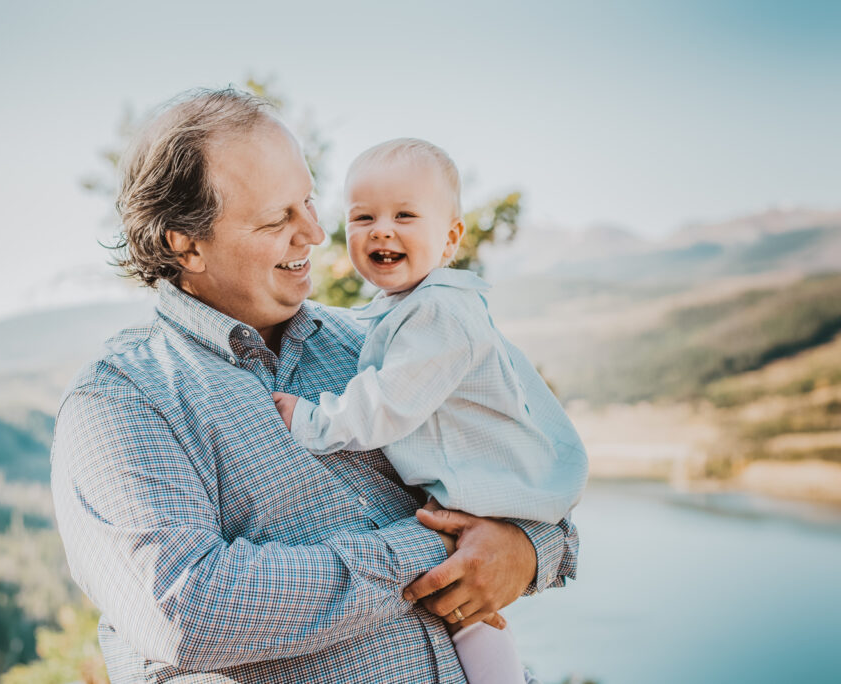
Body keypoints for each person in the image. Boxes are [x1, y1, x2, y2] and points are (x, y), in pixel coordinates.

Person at [50, 88, 579, 683]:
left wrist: (529, 551)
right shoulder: (123, 401)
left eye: (308, 200)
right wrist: (433, 550)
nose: (316, 232)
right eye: (278, 218)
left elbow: (519, 477)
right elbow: (188, 612)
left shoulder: (387, 343)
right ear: (186, 243)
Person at [272, 138, 589, 683]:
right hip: (479, 495)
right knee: (469, 618)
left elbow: (385, 405)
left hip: (496, 489)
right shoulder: (401, 307)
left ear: (451, 237)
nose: (382, 230)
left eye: (405, 215)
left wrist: (310, 420)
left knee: (467, 613)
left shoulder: (438, 313)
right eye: (363, 216)